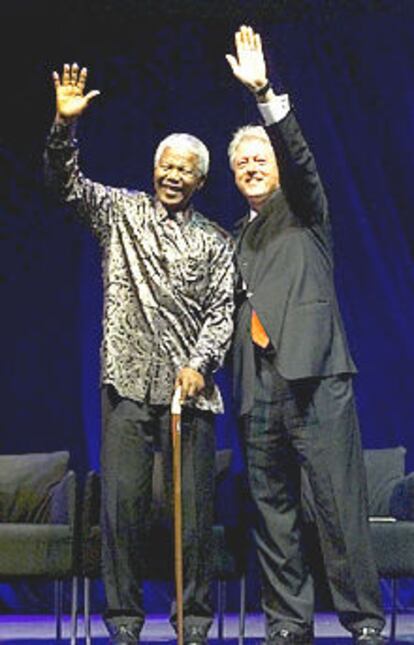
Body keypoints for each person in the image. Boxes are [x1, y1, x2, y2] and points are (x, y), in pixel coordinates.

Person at [44, 63, 235, 645]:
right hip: (125, 385)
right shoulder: (120, 212)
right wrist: (63, 125)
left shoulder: (215, 240)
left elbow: (222, 313)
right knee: (121, 514)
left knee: (193, 523)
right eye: (167, 166)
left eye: (185, 171)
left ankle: (193, 622)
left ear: (200, 182)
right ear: (154, 170)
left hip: (188, 396)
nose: (173, 176)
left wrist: (199, 365)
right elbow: (65, 185)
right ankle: (124, 622)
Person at [226, 26, 386, 645]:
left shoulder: (307, 212)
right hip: (257, 387)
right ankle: (289, 624)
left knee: (338, 507)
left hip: (316, 375)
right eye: (241, 163)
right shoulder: (233, 240)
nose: (250, 167)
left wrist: (264, 92)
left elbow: (298, 155)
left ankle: (364, 620)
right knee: (274, 516)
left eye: (258, 158)